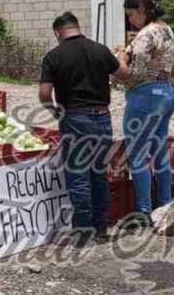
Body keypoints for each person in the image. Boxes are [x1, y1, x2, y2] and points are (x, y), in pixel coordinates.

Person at [39, 12, 130, 244]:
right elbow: (124, 75)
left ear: (58, 33)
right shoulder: (100, 50)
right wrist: (123, 58)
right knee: (98, 175)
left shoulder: (53, 56)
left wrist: (56, 112)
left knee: (78, 176)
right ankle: (100, 230)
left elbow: (44, 94)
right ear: (78, 27)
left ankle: (81, 234)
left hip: (74, 119)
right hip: (102, 118)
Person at [116, 0, 174, 227]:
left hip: (145, 98)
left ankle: (143, 210)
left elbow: (134, 76)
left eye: (131, 14)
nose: (130, 20)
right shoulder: (166, 29)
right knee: (160, 151)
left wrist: (120, 62)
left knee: (137, 153)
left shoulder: (146, 35)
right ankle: (165, 204)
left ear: (141, 9)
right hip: (167, 94)